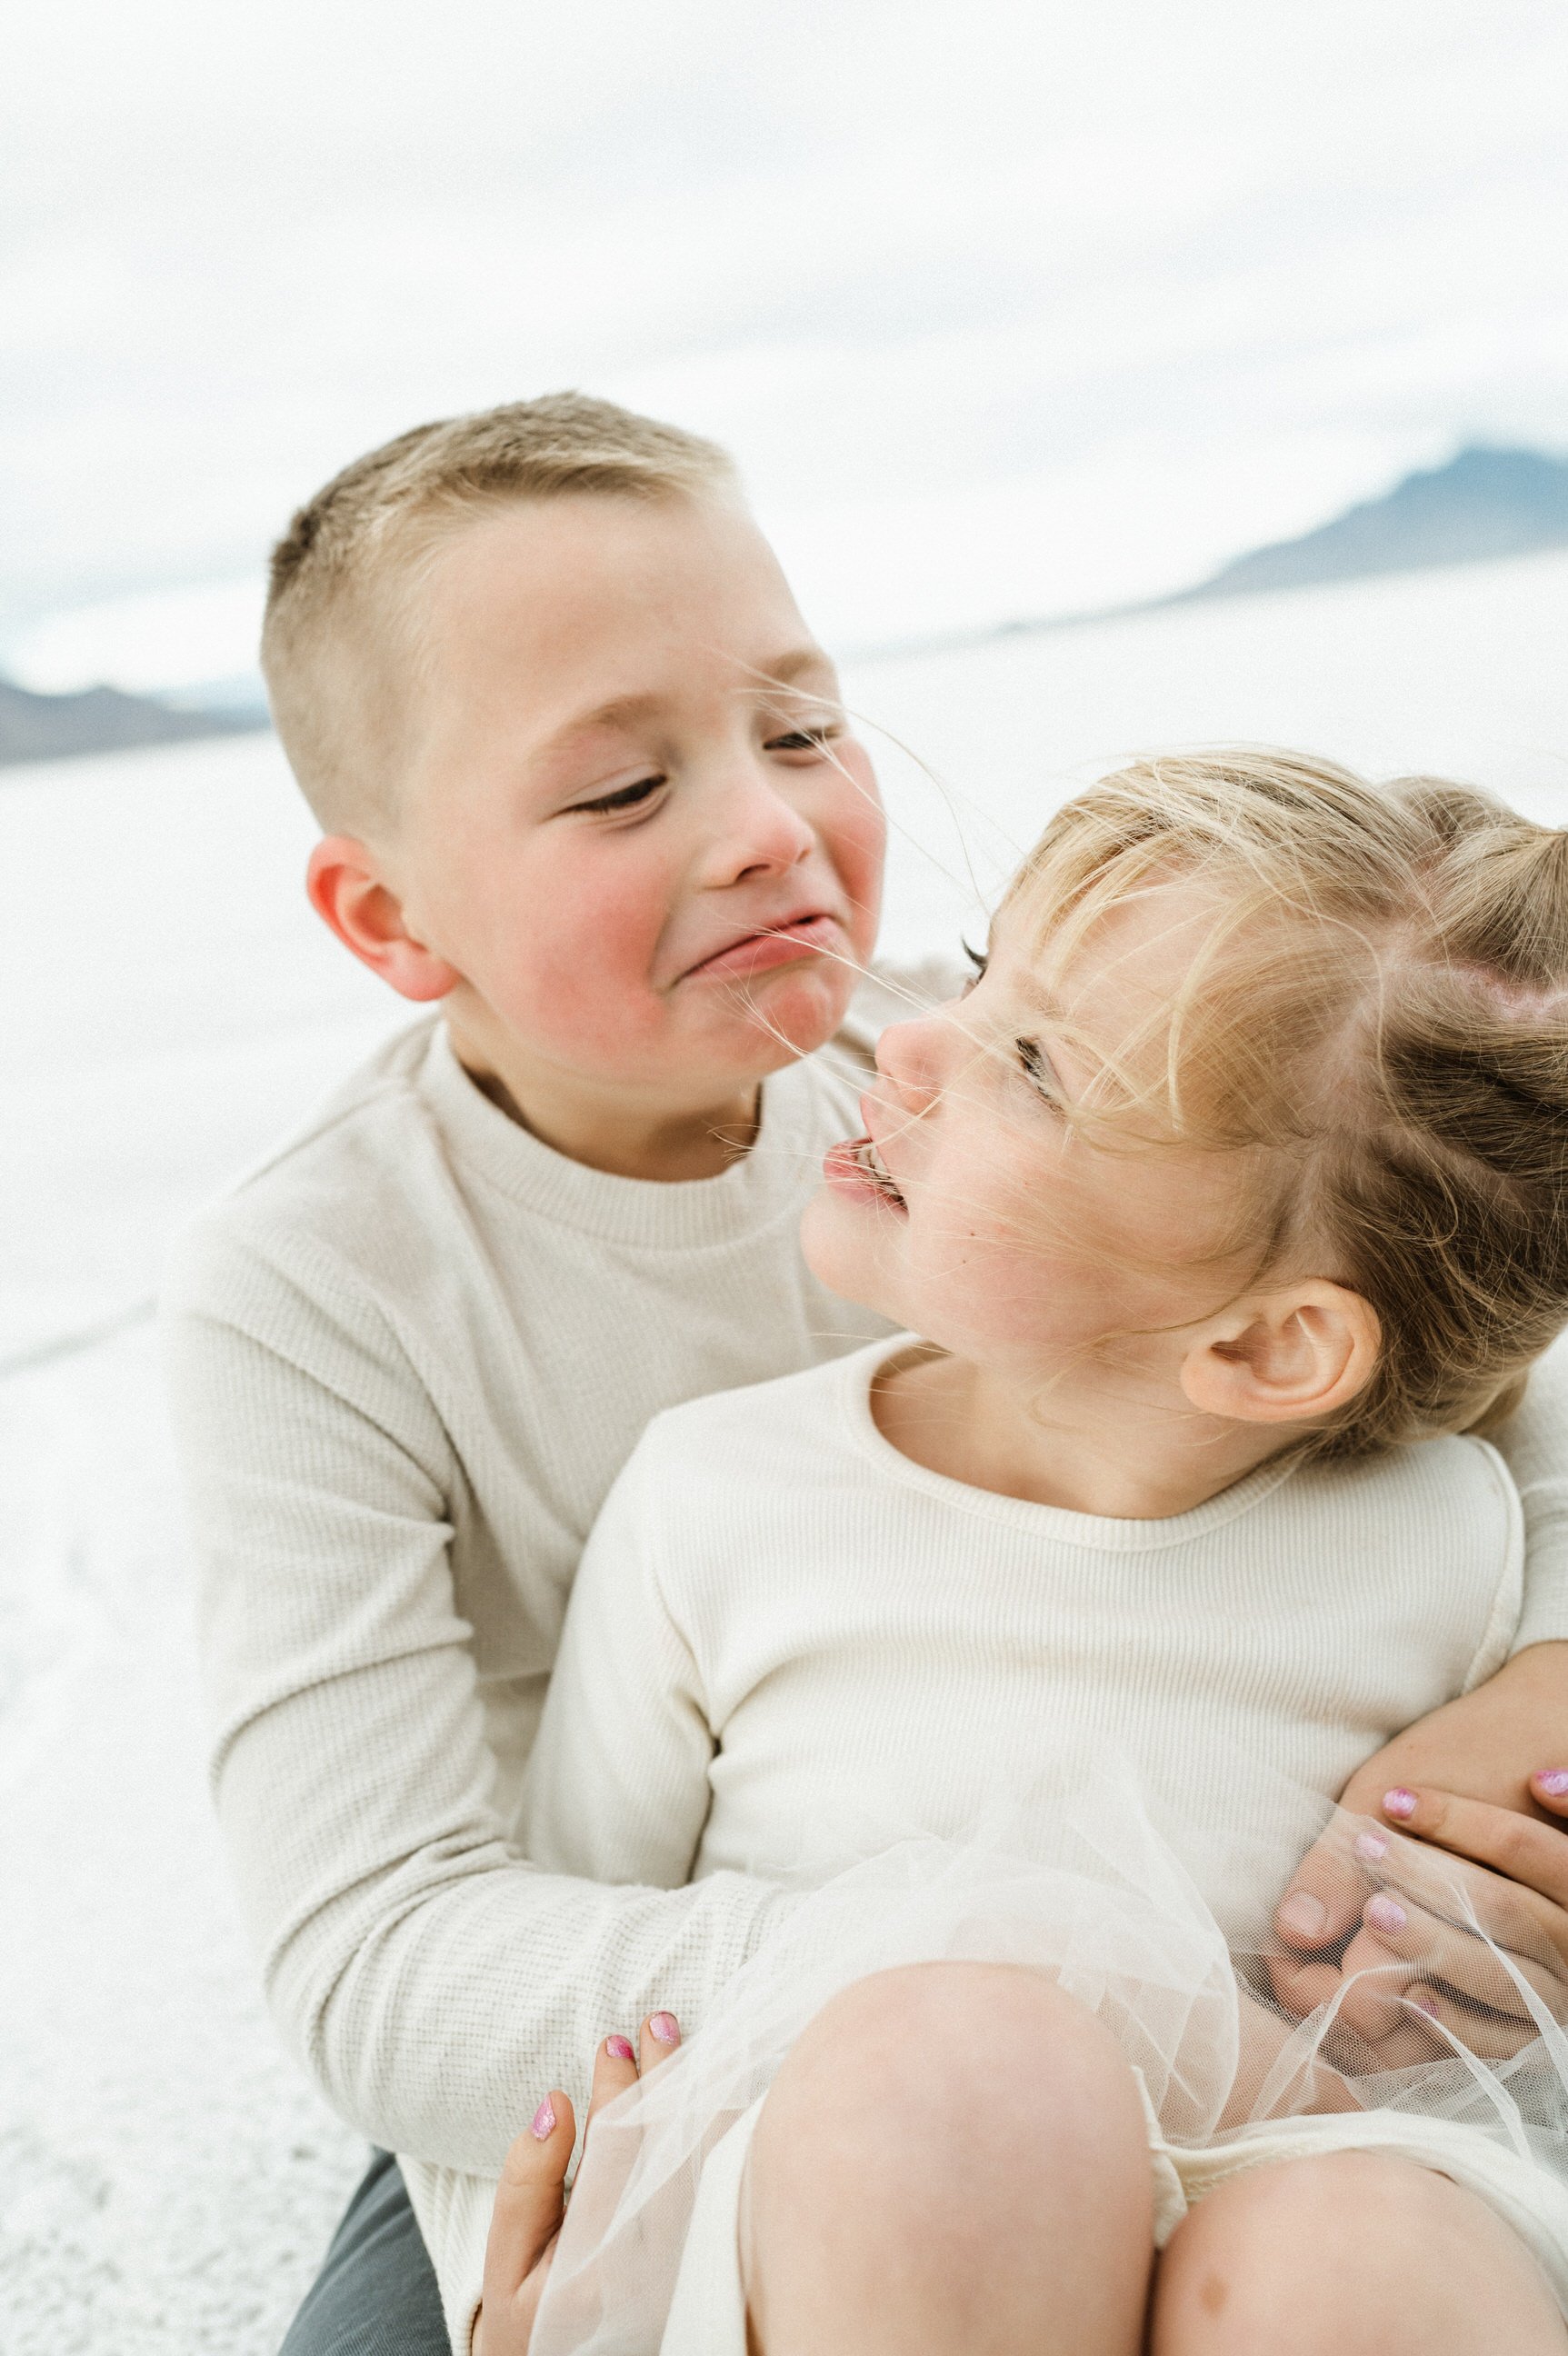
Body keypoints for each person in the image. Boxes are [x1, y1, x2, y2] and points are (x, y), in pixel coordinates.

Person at [164, 394, 1568, 2356]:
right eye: (617, 792)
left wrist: (1532, 1698)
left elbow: (1471, 1353)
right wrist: (1049, 1983)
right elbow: (385, 1969)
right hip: (626, 2014)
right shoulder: (311, 1289)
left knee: (1373, 2261)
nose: (765, 826)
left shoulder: (1028, 1081)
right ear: (391, 916)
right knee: (942, 2119)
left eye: (801, 729)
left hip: (1255, 2053)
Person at [463, 753, 1568, 2356]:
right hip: (860, 2232)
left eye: (1035, 1068)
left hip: (1293, 2173)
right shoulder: (721, 1499)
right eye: (983, 976)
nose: (905, 1040)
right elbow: (568, 1965)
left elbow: (1496, 1993)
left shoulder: (1457, 1537)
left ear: (1266, 1351)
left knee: (1365, 2247)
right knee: (960, 2070)